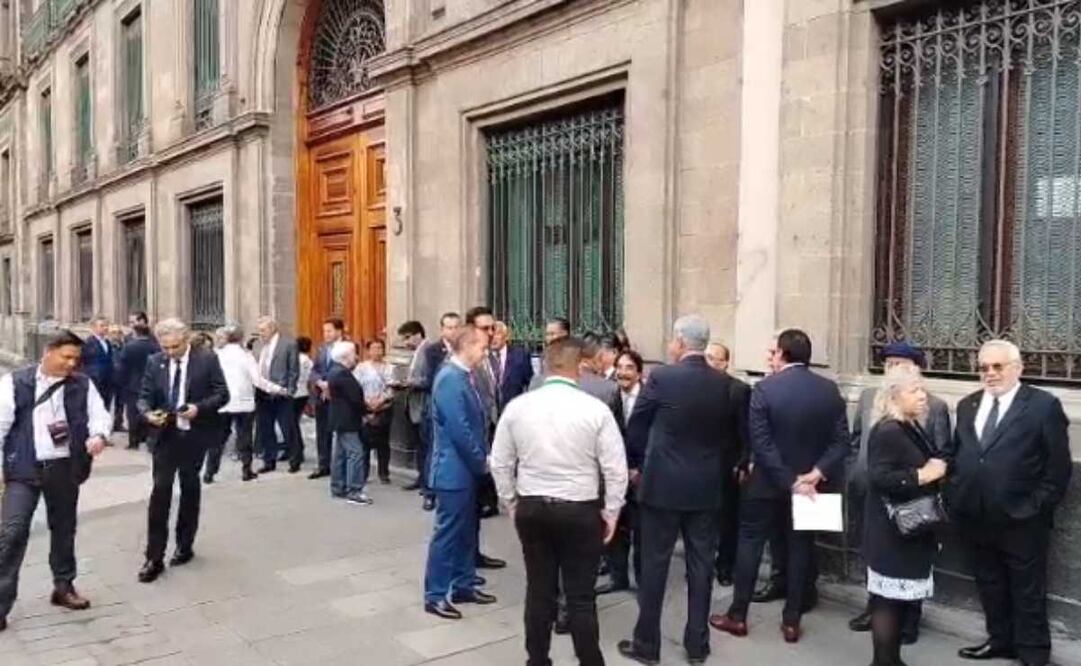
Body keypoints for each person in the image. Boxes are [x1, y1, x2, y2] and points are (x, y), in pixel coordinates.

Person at [490, 336, 628, 666]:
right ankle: (590, 660)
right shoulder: (595, 410)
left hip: (533, 505)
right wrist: (612, 512)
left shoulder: (518, 407)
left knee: (539, 589)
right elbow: (615, 469)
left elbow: (499, 461)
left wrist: (511, 501)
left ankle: (537, 659)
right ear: (578, 366)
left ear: (548, 365)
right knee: (580, 596)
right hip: (579, 508)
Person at [617, 315, 742, 665]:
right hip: (705, 486)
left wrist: (639, 463)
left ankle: (647, 644)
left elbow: (637, 424)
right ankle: (698, 644)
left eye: (673, 340)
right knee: (701, 566)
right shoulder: (724, 383)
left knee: (654, 565)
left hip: (663, 486)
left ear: (681, 341)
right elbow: (731, 435)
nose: (670, 345)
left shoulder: (662, 377)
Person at [710, 329, 849, 644]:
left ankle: (738, 615)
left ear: (783, 354)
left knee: (751, 544)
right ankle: (792, 620)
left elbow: (761, 443)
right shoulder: (829, 390)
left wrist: (790, 481)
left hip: (767, 484)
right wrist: (814, 474)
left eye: (773, 351)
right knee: (802, 548)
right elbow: (841, 442)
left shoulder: (765, 389)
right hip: (812, 487)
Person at [946, 340, 1071, 666]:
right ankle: (1000, 640)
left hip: (1022, 519)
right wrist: (955, 495)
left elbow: (1058, 469)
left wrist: (1034, 506)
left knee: (1027, 591)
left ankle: (1033, 653)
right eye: (983, 367)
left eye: (997, 366)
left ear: (1018, 368)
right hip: (975, 514)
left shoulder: (1043, 406)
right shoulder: (967, 405)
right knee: (989, 583)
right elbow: (958, 454)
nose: (990, 373)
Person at [0, 330, 111, 631]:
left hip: (64, 467)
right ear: (48, 352)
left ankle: (64, 587)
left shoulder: (82, 384)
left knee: (64, 529)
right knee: (12, 532)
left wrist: (99, 436)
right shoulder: (15, 382)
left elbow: (99, 415)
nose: (72, 364)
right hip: (23, 467)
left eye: (76, 358)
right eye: (66, 357)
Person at [848, 341, 951, 642]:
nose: (894, 369)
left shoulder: (934, 406)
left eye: (901, 364)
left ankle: (908, 622)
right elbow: (858, 442)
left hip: (912, 506)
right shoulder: (871, 400)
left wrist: (930, 475)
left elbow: (940, 452)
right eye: (890, 364)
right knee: (879, 565)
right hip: (874, 498)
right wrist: (855, 471)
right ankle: (879, 615)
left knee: (906, 568)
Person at [137, 318, 229, 583]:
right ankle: (154, 556)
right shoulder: (155, 362)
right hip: (164, 436)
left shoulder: (207, 359)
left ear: (186, 340)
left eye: (175, 347)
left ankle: (185, 544)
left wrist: (199, 408)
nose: (169, 352)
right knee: (160, 492)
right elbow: (143, 395)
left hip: (194, 435)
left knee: (190, 488)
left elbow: (223, 394)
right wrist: (146, 413)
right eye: (164, 347)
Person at [422, 325, 494, 620]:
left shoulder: (465, 375)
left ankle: (463, 584)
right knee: (448, 534)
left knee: (465, 531)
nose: (485, 352)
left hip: (465, 470)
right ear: (467, 346)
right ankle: (436, 594)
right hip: (453, 471)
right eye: (482, 347)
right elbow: (460, 429)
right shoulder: (451, 378)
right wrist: (482, 462)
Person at [597, 349, 645, 595]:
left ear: (639, 372)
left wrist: (641, 469)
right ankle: (618, 577)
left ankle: (643, 580)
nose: (624, 373)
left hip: (641, 476)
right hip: (615, 474)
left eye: (629, 368)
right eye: (620, 368)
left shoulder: (650, 398)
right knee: (615, 527)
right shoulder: (610, 397)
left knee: (642, 531)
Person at [704, 341, 751, 588]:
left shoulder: (739, 390)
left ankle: (725, 566)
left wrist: (743, 462)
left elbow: (746, 432)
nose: (708, 362)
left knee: (727, 520)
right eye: (705, 357)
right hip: (699, 465)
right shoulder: (695, 388)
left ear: (724, 363)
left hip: (727, 465)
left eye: (713, 358)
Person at [463, 306, 507, 570]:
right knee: (465, 509)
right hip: (472, 444)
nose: (491, 332)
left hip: (490, 434)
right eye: (485, 328)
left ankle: (474, 554)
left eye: (493, 328)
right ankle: (465, 562)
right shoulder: (464, 365)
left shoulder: (489, 357)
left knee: (478, 503)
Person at [208, 325, 278, 483]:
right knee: (244, 437)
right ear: (240, 338)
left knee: (218, 439)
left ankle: (209, 472)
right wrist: (277, 389)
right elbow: (257, 380)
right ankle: (246, 470)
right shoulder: (246, 356)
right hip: (244, 402)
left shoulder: (217, 355)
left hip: (222, 402)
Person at [414, 312, 461, 511]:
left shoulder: (464, 349)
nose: (453, 331)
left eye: (456, 327)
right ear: (442, 329)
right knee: (434, 450)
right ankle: (429, 492)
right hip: (438, 408)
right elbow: (427, 378)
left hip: (458, 407)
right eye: (449, 327)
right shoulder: (432, 351)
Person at [254, 317, 301, 473]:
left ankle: (295, 459)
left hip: (281, 392)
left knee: (288, 427)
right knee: (265, 428)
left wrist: (290, 390)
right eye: (259, 330)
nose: (261, 333)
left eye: (263, 330)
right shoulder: (258, 345)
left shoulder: (288, 344)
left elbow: (293, 369)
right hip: (262, 392)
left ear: (272, 328)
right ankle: (269, 460)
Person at [327, 341, 371, 505]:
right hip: (347, 419)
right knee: (356, 453)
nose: (356, 357)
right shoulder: (342, 374)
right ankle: (354, 490)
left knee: (340, 454)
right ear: (346, 356)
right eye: (354, 354)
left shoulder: (335, 371)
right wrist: (366, 413)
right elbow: (355, 398)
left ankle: (338, 487)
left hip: (340, 419)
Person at [308, 318, 345, 480]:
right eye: (324, 331)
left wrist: (330, 385)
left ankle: (341, 466)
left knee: (342, 432)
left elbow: (347, 370)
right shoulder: (322, 349)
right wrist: (320, 383)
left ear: (339, 331)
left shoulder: (347, 347)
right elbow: (314, 370)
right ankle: (323, 464)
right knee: (322, 431)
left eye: (329, 331)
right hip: (321, 396)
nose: (326, 334)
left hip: (339, 397)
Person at [354, 339, 394, 484]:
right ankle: (363, 472)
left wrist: (380, 400)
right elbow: (356, 387)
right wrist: (366, 402)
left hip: (383, 408)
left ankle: (384, 472)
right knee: (364, 442)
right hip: (365, 407)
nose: (377, 351)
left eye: (380, 348)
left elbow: (391, 388)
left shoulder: (389, 368)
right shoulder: (361, 368)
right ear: (368, 351)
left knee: (383, 443)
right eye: (374, 348)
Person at [397, 320, 430, 492]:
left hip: (424, 406)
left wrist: (411, 383)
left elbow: (431, 379)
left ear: (418, 334)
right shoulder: (417, 351)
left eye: (408, 338)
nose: (406, 343)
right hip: (415, 407)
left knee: (425, 445)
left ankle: (427, 481)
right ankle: (421, 477)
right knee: (419, 445)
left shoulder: (428, 350)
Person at [117, 322, 160, 450]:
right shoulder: (155, 346)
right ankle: (149, 439)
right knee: (150, 411)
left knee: (133, 413)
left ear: (135, 333)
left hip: (133, 384)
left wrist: (122, 382)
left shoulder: (129, 347)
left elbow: (122, 367)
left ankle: (134, 442)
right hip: (151, 383)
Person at [490, 321, 534, 412]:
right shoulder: (483, 357)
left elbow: (529, 382)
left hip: (514, 410)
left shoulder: (520, 356)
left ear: (506, 336)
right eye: (491, 335)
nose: (493, 338)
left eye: (497, 334)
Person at [80, 316, 115, 415]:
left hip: (108, 381)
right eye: (102, 326)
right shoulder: (88, 343)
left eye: (107, 326)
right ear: (94, 328)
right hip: (95, 380)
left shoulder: (107, 343)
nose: (106, 328)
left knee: (106, 406)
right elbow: (83, 361)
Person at [292, 336, 314, 465]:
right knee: (294, 422)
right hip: (303, 392)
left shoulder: (298, 359)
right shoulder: (308, 360)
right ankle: (297, 448)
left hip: (295, 393)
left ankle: (297, 450)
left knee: (292, 423)